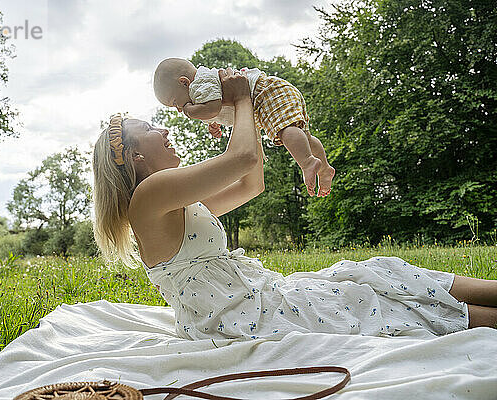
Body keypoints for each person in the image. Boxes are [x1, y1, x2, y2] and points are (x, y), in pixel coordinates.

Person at [91, 68, 497, 341]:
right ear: (135, 155)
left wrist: (239, 112)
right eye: (147, 127)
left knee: (373, 271)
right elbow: (244, 160)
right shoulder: (150, 194)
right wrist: (244, 97)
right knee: (371, 301)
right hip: (242, 319)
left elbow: (251, 183)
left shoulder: (170, 202)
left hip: (253, 300)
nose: (162, 127)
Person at [152, 57, 335, 197]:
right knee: (304, 137)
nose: (178, 109)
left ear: (184, 82)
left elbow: (213, 107)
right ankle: (324, 168)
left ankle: (308, 162)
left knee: (285, 130)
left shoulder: (200, 82)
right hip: (269, 95)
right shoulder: (202, 91)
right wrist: (213, 124)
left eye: (175, 102)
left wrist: (191, 111)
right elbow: (216, 109)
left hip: (265, 92)